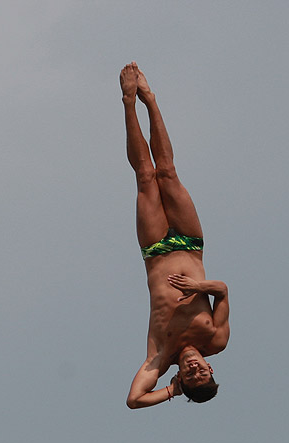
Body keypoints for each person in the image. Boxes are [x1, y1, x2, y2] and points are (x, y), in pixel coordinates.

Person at [120, 62, 230, 409]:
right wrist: (198, 288)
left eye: (192, 376)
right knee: (167, 172)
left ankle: (127, 102)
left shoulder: (160, 355)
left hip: (155, 250)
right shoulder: (216, 338)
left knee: (145, 177)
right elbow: (223, 290)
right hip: (189, 244)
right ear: (210, 367)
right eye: (203, 372)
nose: (196, 369)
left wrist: (170, 392)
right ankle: (150, 99)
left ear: (181, 377)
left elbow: (134, 400)